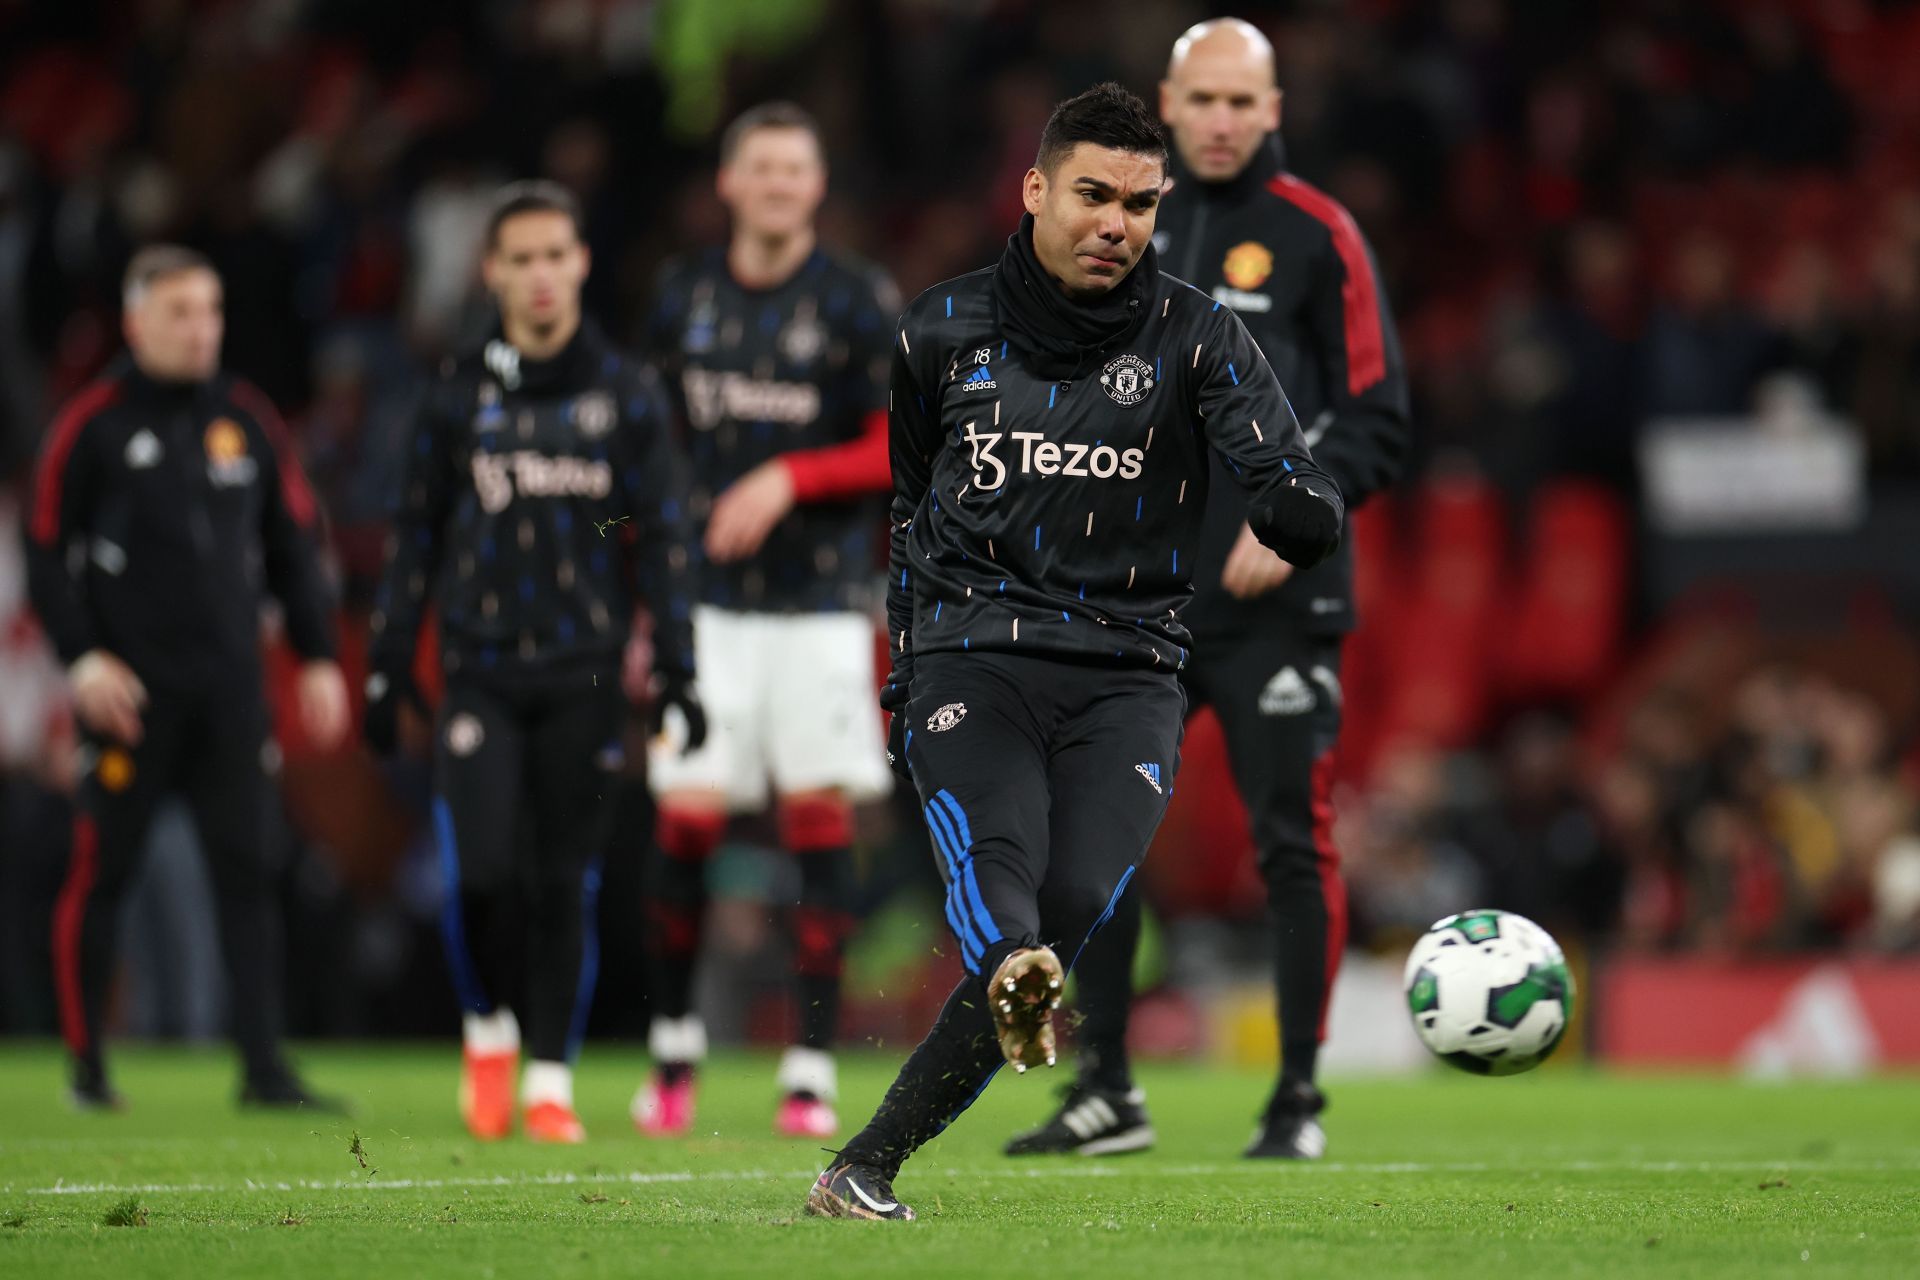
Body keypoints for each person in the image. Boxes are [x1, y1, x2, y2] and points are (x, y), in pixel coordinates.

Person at [806, 82, 1344, 1221]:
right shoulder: (939, 329)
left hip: (1132, 669)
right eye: (1094, 194)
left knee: (1078, 898)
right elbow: (909, 509)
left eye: (1142, 204)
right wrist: (907, 668)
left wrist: (1300, 508)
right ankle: (960, 1034)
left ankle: (867, 1158)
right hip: (973, 656)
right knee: (1002, 875)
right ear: (1037, 189)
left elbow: (1287, 476)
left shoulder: (1201, 333)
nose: (1118, 223)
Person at [1005, 18, 1411, 1162]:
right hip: (1140, 603)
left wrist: (1291, 525)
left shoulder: (1321, 236)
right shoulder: (1123, 230)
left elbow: (1379, 416)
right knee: (1098, 842)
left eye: (1245, 101)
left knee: (1292, 840)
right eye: (1205, 101)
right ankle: (1106, 1090)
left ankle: (1295, 1098)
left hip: (1280, 602)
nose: (1225, 119)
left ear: (1274, 108)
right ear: (1168, 110)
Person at [363, 181, 703, 1143]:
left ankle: (548, 1079)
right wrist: (389, 660)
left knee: (565, 881)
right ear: (493, 272)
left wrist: (675, 664)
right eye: (524, 258)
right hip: (481, 668)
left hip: (588, 672)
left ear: (582, 263)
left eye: (559, 254)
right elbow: (415, 534)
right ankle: (487, 1030)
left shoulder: (626, 394)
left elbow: (655, 533)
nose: (544, 275)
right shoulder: (458, 394)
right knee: (477, 876)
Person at [25, 245, 350, 1109]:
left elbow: (293, 542)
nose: (200, 329)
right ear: (136, 323)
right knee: (106, 873)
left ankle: (263, 1069)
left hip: (230, 691)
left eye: (209, 311)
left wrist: (318, 655)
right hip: (129, 697)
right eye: (179, 312)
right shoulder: (90, 423)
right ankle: (88, 1068)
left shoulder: (245, 418)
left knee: (249, 873)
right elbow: (44, 551)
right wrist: (83, 659)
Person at [634, 102, 899, 1141]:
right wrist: (637, 570)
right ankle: (672, 1052)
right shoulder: (682, 295)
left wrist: (791, 474)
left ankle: (810, 1065)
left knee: (817, 822)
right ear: (732, 183)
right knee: (686, 818)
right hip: (703, 605)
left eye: (799, 168)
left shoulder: (855, 300)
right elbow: (642, 450)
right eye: (765, 168)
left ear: (817, 187)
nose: (782, 184)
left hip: (821, 606)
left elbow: (895, 446)